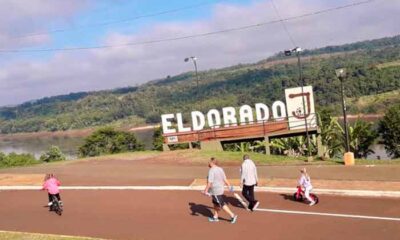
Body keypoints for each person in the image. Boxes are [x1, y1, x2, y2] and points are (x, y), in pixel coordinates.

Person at [203, 157, 238, 223]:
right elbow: (225, 179)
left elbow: (210, 182)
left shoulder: (211, 170)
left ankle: (232, 215)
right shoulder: (220, 169)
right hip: (220, 189)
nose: (208, 163)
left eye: (209, 162)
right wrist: (229, 186)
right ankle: (215, 217)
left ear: (212, 163)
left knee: (221, 204)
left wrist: (206, 190)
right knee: (215, 203)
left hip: (215, 190)